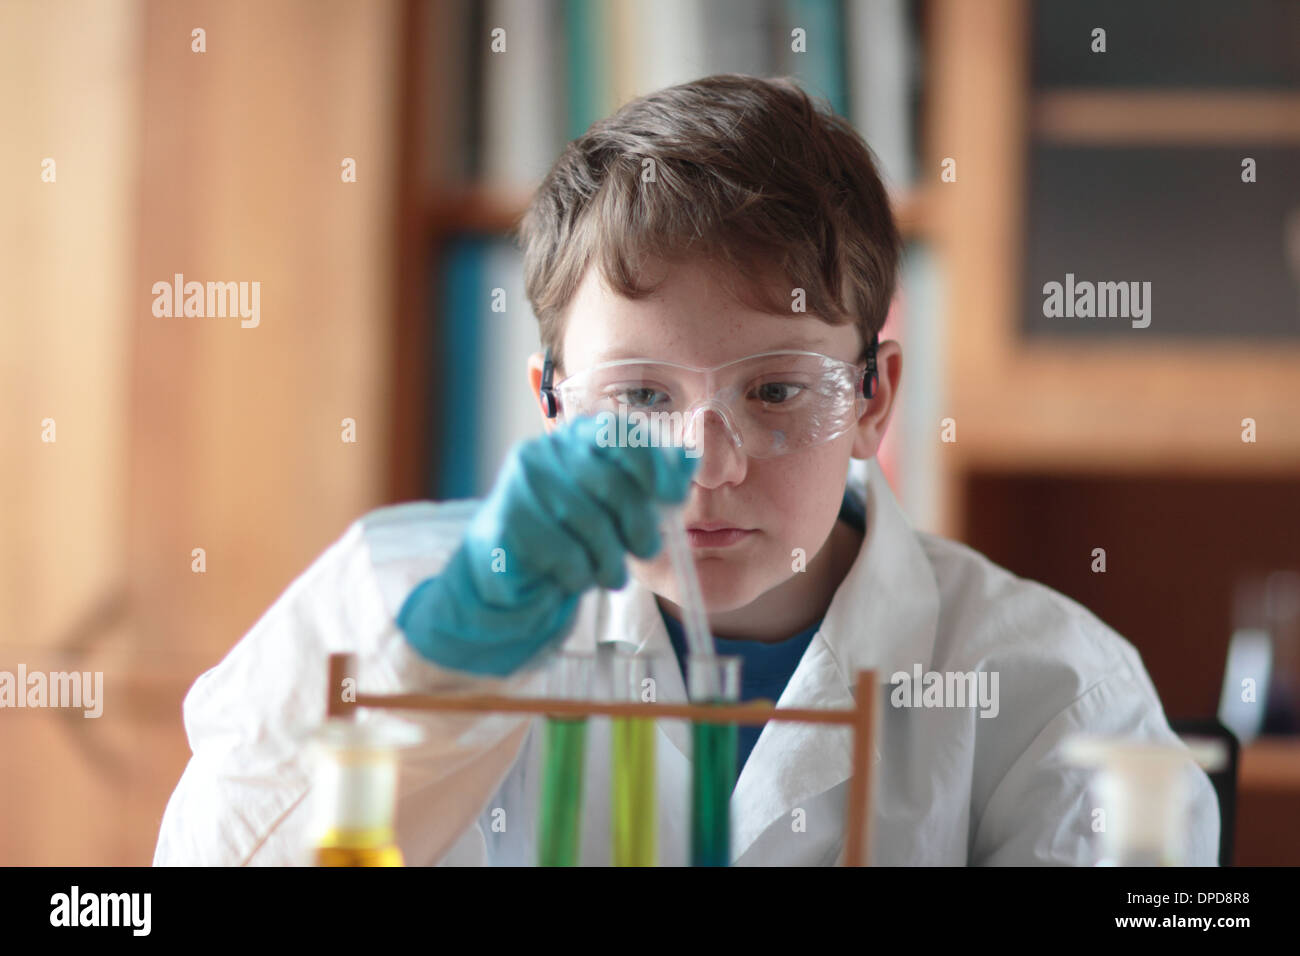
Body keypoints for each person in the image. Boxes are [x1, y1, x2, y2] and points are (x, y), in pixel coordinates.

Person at [154, 74, 1219, 866]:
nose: (704, 463)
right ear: (550, 403)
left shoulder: (1054, 691)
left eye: (775, 390)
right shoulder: (393, 610)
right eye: (641, 397)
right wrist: (439, 682)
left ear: (874, 399)